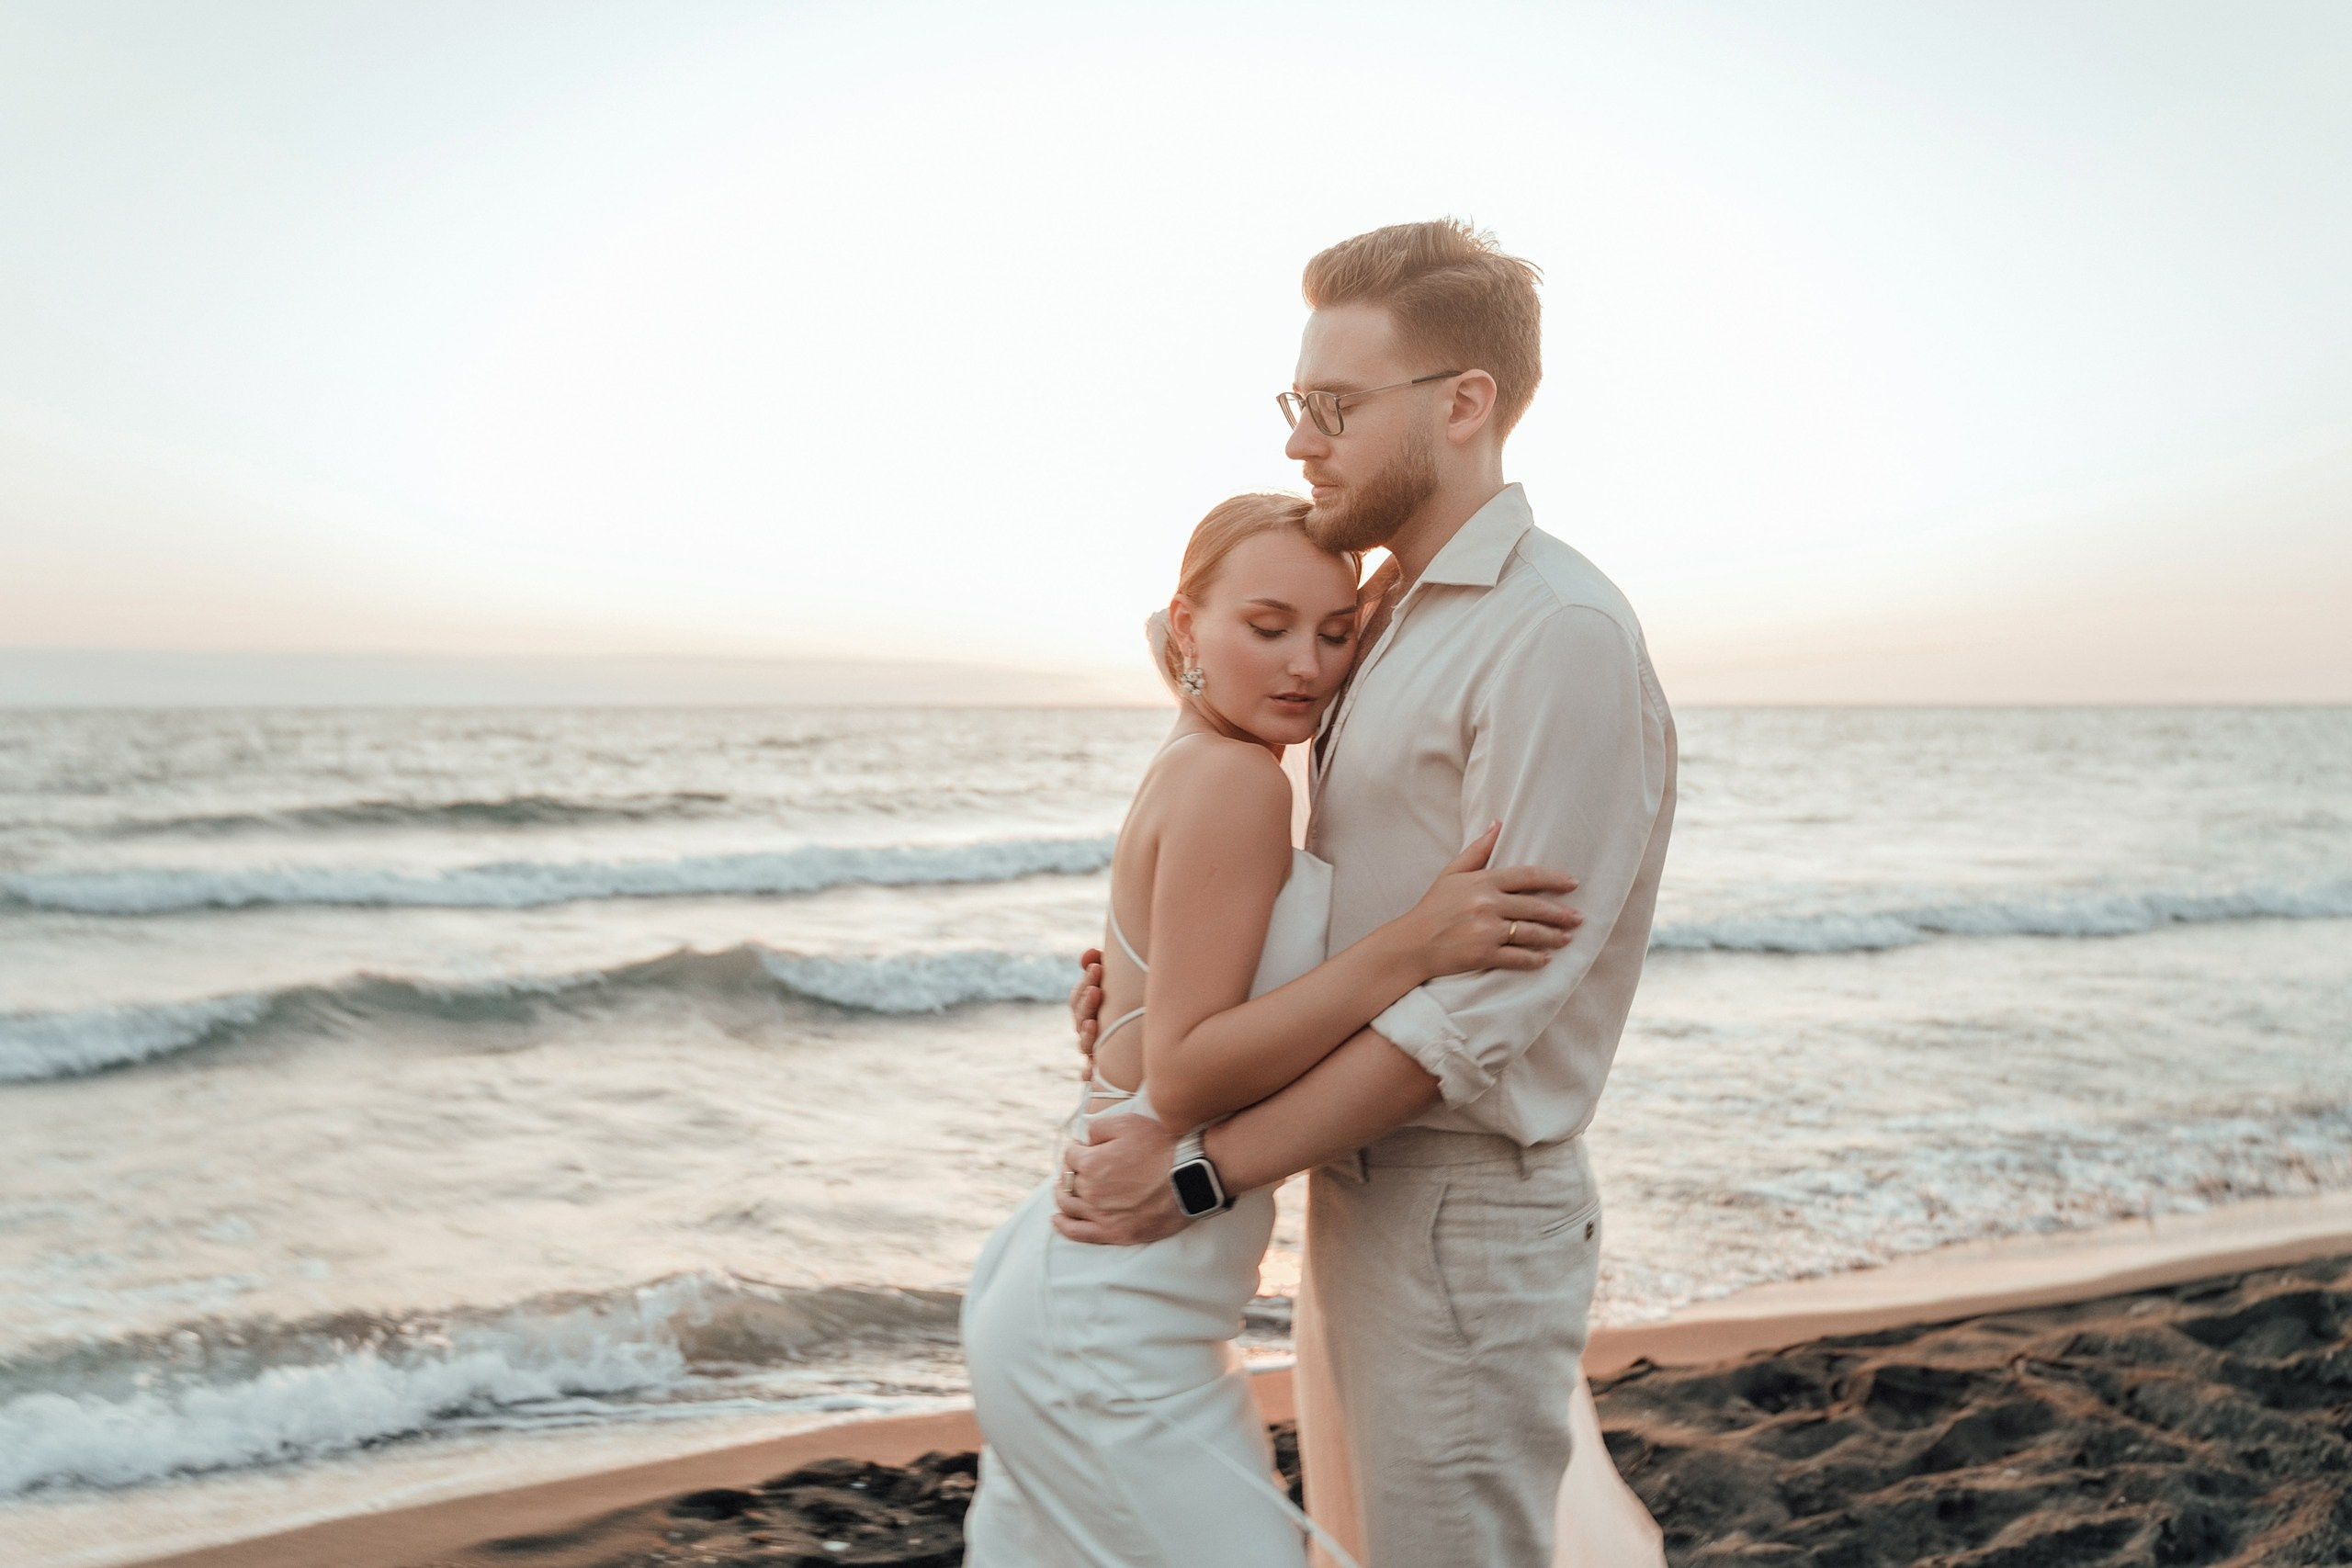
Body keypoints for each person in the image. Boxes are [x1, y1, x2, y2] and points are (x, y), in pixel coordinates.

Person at [1056, 220, 1679, 1567]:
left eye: (1332, 406)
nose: (1299, 441)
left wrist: (1200, 1173)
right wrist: (1152, 996)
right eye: (1298, 405)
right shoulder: (1380, 611)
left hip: (1451, 1202)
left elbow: (1472, 1017)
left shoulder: (1551, 634)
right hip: (1343, 1178)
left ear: (1465, 404)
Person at [960, 491, 1586, 1567]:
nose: (1305, 663)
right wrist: (1414, 945)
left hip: (1093, 1294)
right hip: (1110, 1319)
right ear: (1187, 623)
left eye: (1335, 633)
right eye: (1267, 627)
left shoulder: (1202, 762)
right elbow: (1190, 1071)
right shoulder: (1235, 783)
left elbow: (1162, 1027)